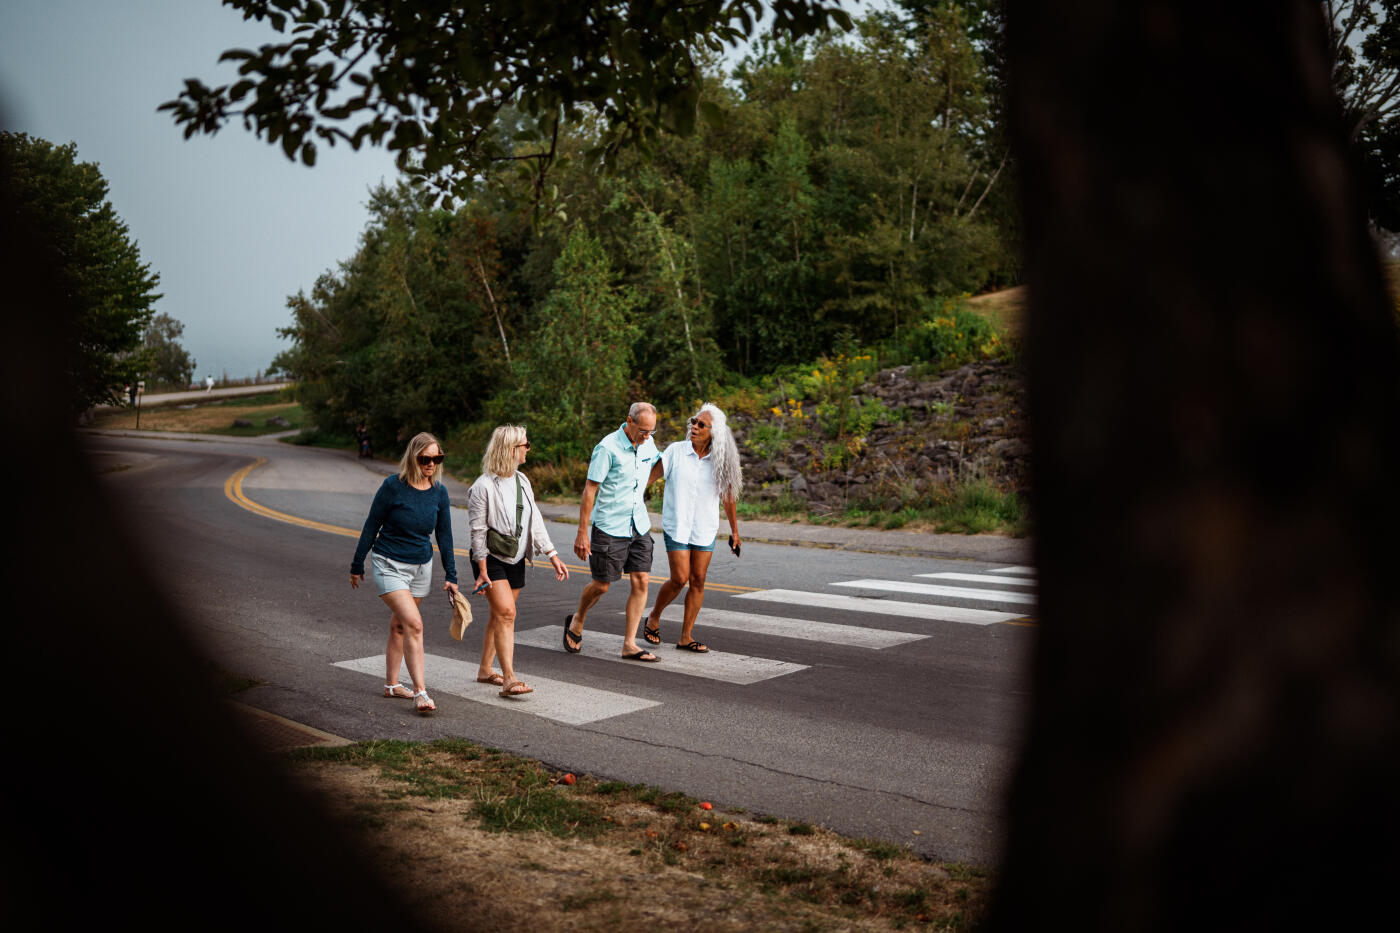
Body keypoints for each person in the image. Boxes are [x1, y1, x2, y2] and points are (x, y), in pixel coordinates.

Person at [350, 432, 459, 714]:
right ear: (413, 458)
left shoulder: (439, 492)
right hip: (388, 564)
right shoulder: (392, 487)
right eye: (426, 458)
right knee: (415, 624)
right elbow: (371, 525)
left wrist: (452, 574)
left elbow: (445, 536)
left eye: (437, 458)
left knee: (400, 625)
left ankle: (391, 685)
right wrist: (357, 562)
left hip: (421, 567)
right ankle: (421, 693)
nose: (432, 463)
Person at [467, 425, 570, 697]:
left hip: (516, 556)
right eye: (525, 444)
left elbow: (534, 520)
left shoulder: (522, 481)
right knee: (507, 613)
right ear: (511, 449)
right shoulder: (483, 486)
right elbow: (477, 531)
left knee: (500, 614)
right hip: (490, 557)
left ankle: (485, 670)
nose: (528, 448)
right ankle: (509, 678)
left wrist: (551, 554)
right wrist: (481, 569)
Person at [564, 402, 662, 662]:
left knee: (642, 579)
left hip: (638, 524)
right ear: (628, 421)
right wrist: (582, 533)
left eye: (651, 432)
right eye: (642, 430)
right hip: (609, 526)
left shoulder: (648, 443)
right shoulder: (607, 448)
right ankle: (578, 618)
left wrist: (642, 486)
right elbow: (589, 490)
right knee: (602, 585)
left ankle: (629, 644)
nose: (646, 436)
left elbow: (659, 464)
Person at [642, 403, 743, 653]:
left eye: (701, 424)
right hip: (677, 524)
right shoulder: (676, 451)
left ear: (714, 432)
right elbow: (648, 478)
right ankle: (654, 616)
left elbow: (728, 498)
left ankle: (685, 637)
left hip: (704, 527)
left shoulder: (720, 460)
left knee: (698, 580)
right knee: (679, 578)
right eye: (693, 421)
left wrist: (735, 532)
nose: (694, 427)